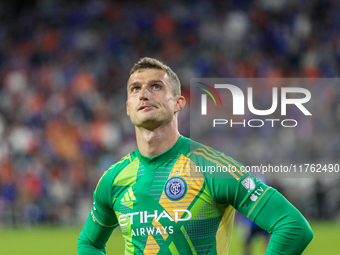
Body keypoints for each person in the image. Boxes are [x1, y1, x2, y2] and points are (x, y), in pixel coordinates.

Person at [78, 57, 313, 254]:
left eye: (156, 86)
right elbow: (89, 243)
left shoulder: (212, 167)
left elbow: (292, 227)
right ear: (128, 107)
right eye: (135, 88)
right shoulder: (113, 179)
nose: (143, 94)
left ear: (179, 103)